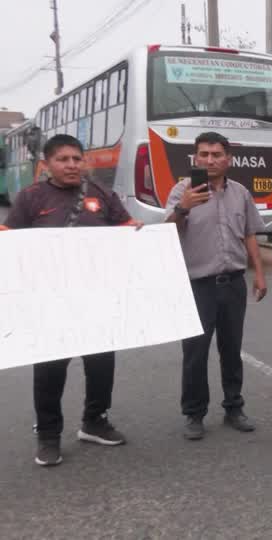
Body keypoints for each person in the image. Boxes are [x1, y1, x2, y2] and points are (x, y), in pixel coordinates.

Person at [1, 134, 143, 466]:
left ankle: (95, 421)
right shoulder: (31, 198)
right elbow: (10, 243)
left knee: (101, 363)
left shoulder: (102, 194)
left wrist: (134, 229)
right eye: (62, 159)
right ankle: (48, 436)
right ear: (47, 164)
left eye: (76, 159)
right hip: (49, 300)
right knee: (50, 367)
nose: (71, 165)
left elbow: (125, 227)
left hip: (97, 297)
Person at [166, 131, 267, 441]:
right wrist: (183, 207)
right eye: (203, 154)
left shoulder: (240, 193)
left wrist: (259, 274)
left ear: (228, 159)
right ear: (196, 158)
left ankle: (234, 407)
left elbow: (250, 233)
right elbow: (167, 232)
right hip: (198, 285)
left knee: (231, 349)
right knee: (195, 352)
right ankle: (194, 414)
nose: (210, 160)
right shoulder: (182, 191)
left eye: (216, 154)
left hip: (233, 283)